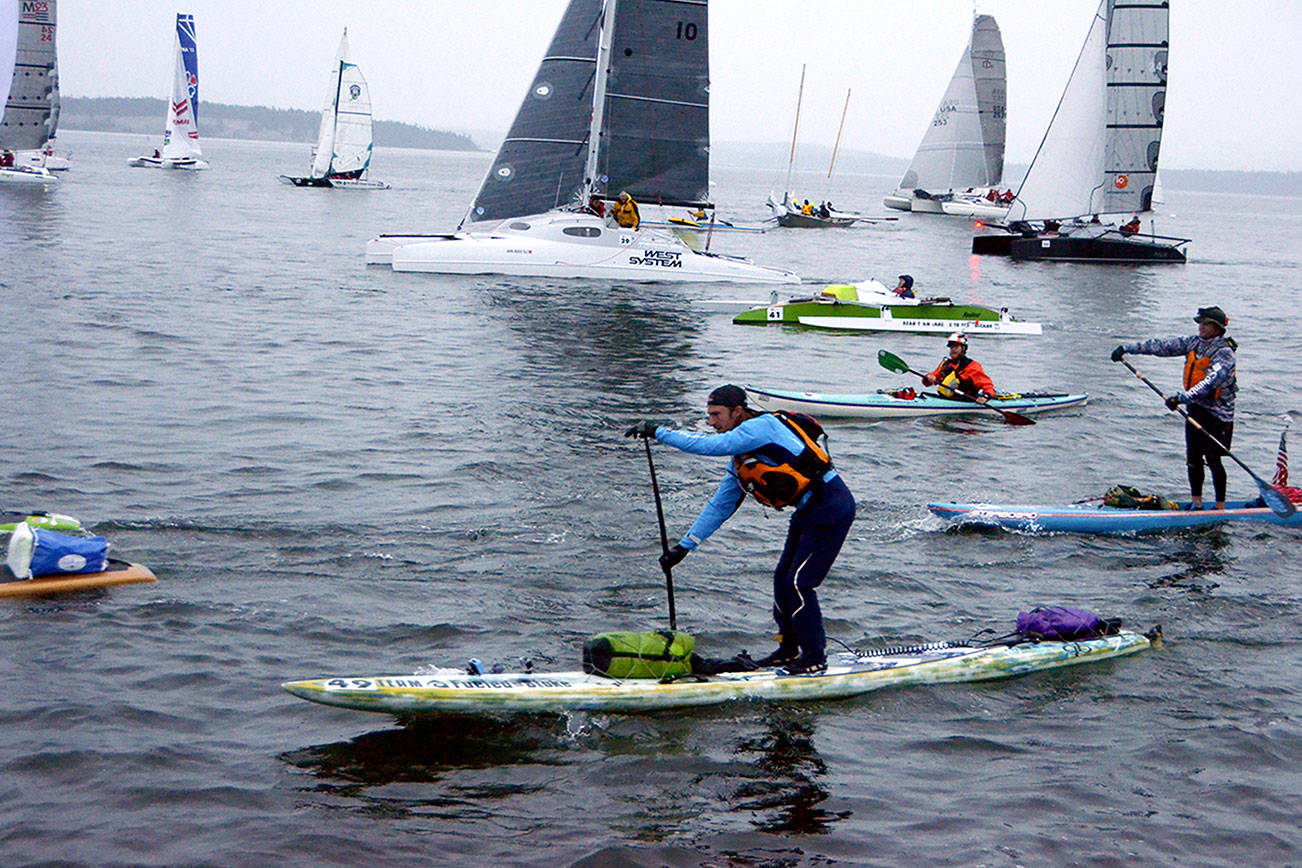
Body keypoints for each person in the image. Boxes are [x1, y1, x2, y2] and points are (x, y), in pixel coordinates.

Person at [626, 385, 855, 675]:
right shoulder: (741, 460)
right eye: (708, 415)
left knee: (799, 584)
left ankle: (814, 658)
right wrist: (683, 548)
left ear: (738, 411)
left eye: (716, 414)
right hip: (808, 512)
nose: (711, 422)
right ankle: (788, 650)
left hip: (832, 507)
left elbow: (706, 446)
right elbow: (719, 507)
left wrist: (658, 432)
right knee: (782, 581)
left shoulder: (762, 426)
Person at [1112, 306, 1237, 510]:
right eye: (1200, 323)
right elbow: (1162, 346)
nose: (1201, 327)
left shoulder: (1225, 353)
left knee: (1213, 460)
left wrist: (1181, 398)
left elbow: (1210, 383)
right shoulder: (1193, 343)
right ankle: (1197, 503)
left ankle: (1220, 506)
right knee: (1193, 457)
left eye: (1205, 324)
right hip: (1195, 409)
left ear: (1217, 327)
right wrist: (1126, 348)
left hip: (1218, 415)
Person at [920, 332, 995, 404]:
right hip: (946, 399)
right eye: (951, 347)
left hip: (965, 402)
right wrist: (928, 377)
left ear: (963, 348)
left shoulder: (972, 367)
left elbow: (988, 385)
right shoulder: (946, 364)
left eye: (956, 347)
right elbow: (929, 381)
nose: (953, 349)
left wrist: (985, 396)